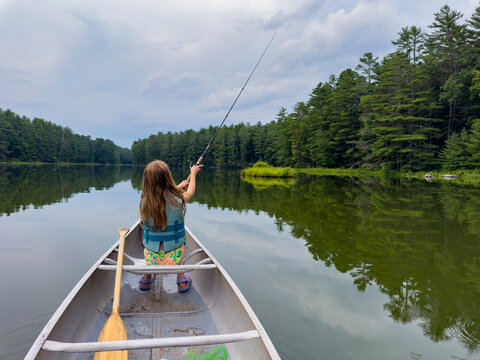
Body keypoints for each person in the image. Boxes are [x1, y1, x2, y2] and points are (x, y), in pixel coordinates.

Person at [138, 160, 203, 292]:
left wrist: (178, 187)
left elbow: (160, 198)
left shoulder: (143, 201)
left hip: (151, 258)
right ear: (168, 178)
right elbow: (190, 193)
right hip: (175, 257)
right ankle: (181, 281)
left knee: (147, 239)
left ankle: (146, 278)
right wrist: (193, 174)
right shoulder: (178, 199)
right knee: (180, 242)